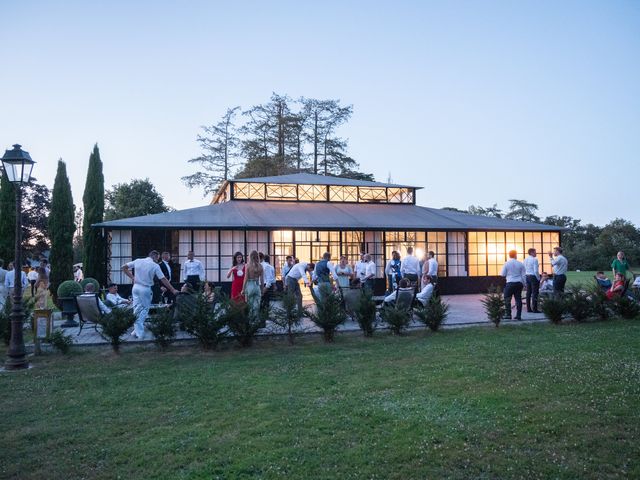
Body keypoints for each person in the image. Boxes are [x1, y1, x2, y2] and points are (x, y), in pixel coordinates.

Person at [122, 250, 178, 339]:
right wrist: (172, 289)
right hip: (145, 288)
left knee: (136, 308)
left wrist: (133, 278)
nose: (158, 261)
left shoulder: (138, 261)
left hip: (135, 287)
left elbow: (123, 267)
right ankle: (139, 333)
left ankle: (135, 330)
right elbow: (163, 279)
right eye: (158, 259)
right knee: (144, 309)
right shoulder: (155, 265)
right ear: (155, 257)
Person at [501, 250, 526, 320]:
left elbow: (502, 274)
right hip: (519, 283)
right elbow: (524, 275)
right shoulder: (520, 264)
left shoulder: (506, 263)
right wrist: (525, 284)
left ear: (509, 255)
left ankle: (508, 315)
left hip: (510, 282)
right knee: (518, 299)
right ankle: (518, 315)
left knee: (507, 299)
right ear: (516, 255)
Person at [241, 251, 264, 320]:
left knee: (250, 305)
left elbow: (245, 278)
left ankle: (251, 321)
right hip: (257, 286)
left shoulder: (247, 265)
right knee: (257, 305)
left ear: (250, 257)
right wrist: (262, 290)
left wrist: (243, 289)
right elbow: (262, 280)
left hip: (250, 285)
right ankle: (256, 320)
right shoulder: (261, 266)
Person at [523, 248, 541, 313]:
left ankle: (528, 308)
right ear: (531, 253)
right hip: (533, 277)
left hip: (527, 276)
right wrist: (538, 278)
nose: (536, 253)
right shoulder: (534, 260)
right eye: (535, 252)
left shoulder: (525, 259)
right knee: (535, 293)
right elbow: (536, 271)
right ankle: (535, 309)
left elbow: (524, 269)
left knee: (528, 293)